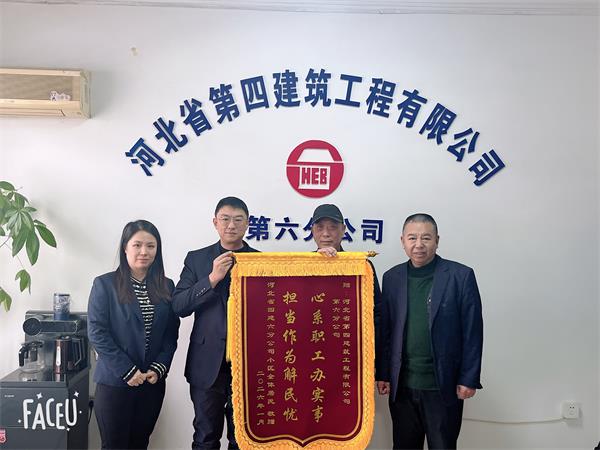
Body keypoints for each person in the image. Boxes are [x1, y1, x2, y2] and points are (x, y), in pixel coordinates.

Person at [375, 213, 483, 450]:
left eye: (426, 238)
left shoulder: (460, 276)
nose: (419, 244)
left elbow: (472, 332)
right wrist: (383, 373)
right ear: (403, 241)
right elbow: (386, 331)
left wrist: (468, 378)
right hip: (402, 386)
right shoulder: (392, 277)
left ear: (437, 240)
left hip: (442, 386)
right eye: (412, 238)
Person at [172, 196, 258, 450]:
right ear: (215, 222)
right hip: (206, 363)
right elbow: (179, 306)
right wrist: (211, 279)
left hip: (249, 364)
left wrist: (323, 260)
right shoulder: (197, 259)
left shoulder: (261, 262)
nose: (231, 225)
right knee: (205, 437)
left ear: (248, 224)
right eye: (225, 219)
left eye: (238, 219)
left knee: (243, 439)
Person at [88, 220, 180, 450]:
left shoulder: (166, 286)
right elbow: (97, 333)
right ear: (125, 248)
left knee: (140, 444)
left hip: (151, 383)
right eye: (137, 245)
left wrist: (160, 367)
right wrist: (127, 371)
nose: (144, 251)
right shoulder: (105, 284)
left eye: (151, 246)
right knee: (114, 445)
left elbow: (170, 333)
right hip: (115, 383)